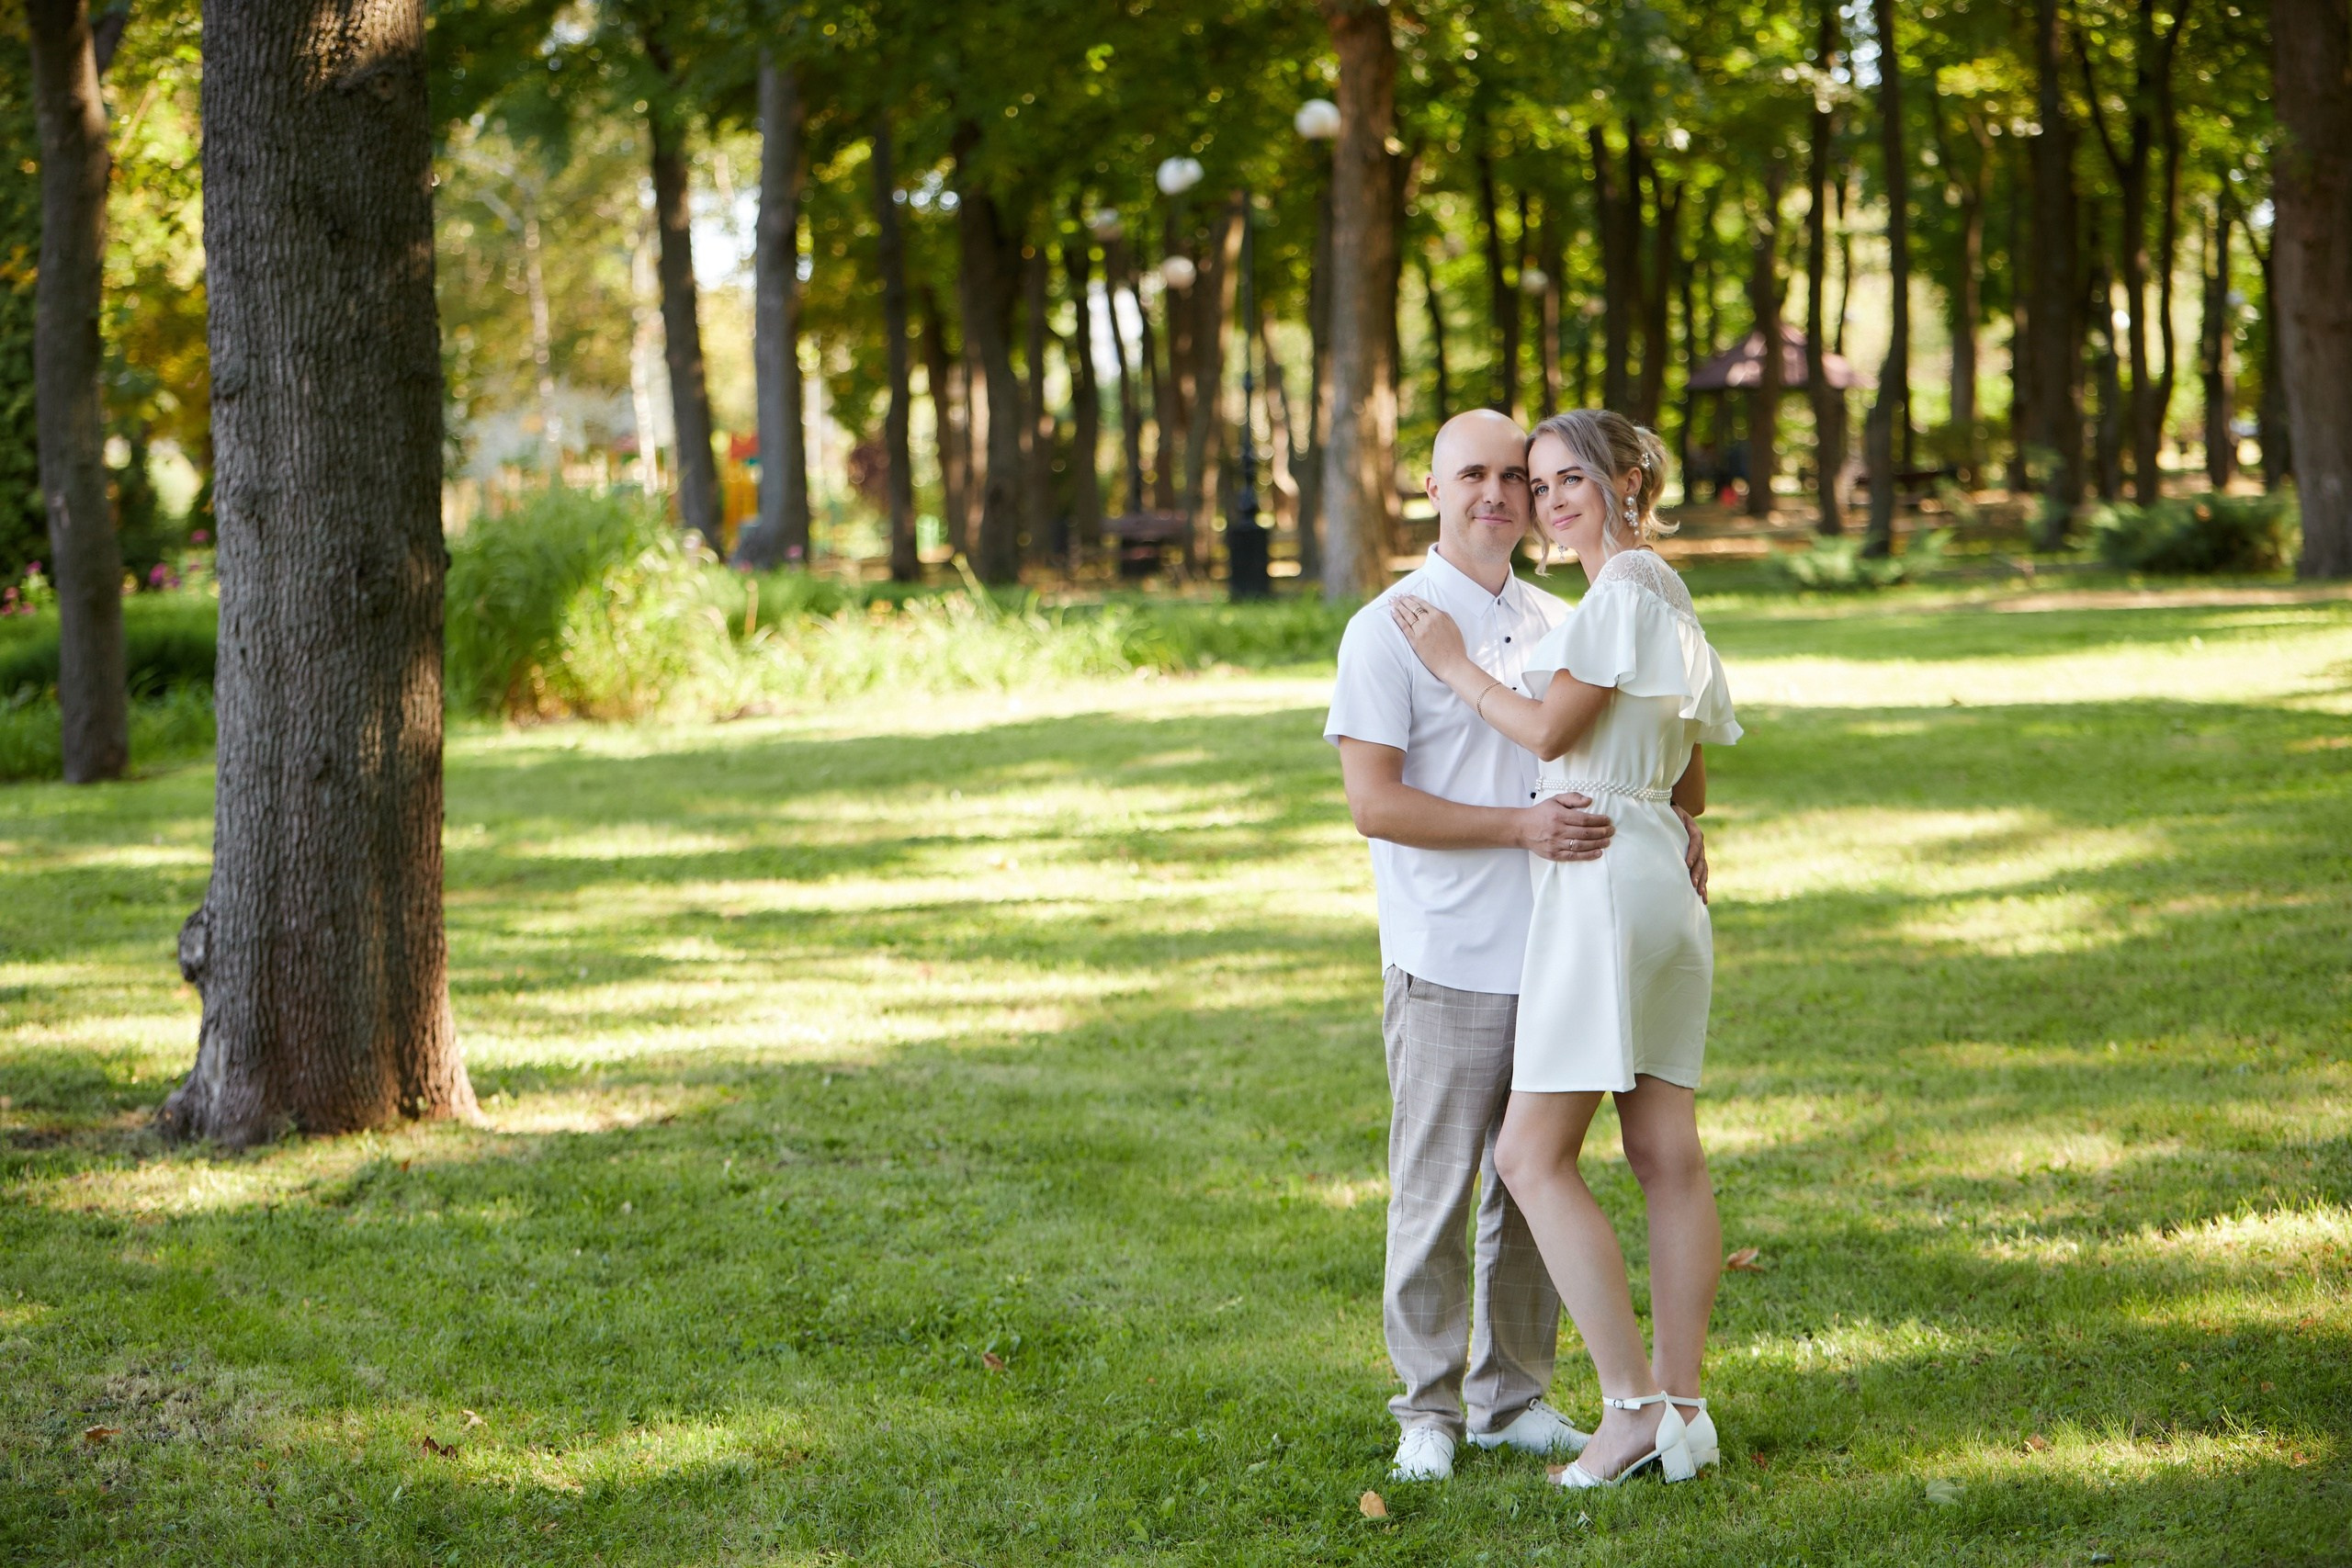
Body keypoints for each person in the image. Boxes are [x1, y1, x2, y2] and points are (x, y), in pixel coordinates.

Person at [1325, 408, 1708, 1484]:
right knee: (1439, 1188)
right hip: (1451, 947)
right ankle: (1427, 1411)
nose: (1503, 494)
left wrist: (1672, 822)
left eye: (1522, 478)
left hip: (1566, 937)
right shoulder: (1390, 626)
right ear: (1436, 490)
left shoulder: (1565, 613)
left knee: (1535, 1184)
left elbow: (1649, 746)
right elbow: (1373, 804)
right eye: (1476, 476)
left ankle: (1513, 1396)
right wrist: (1518, 828)